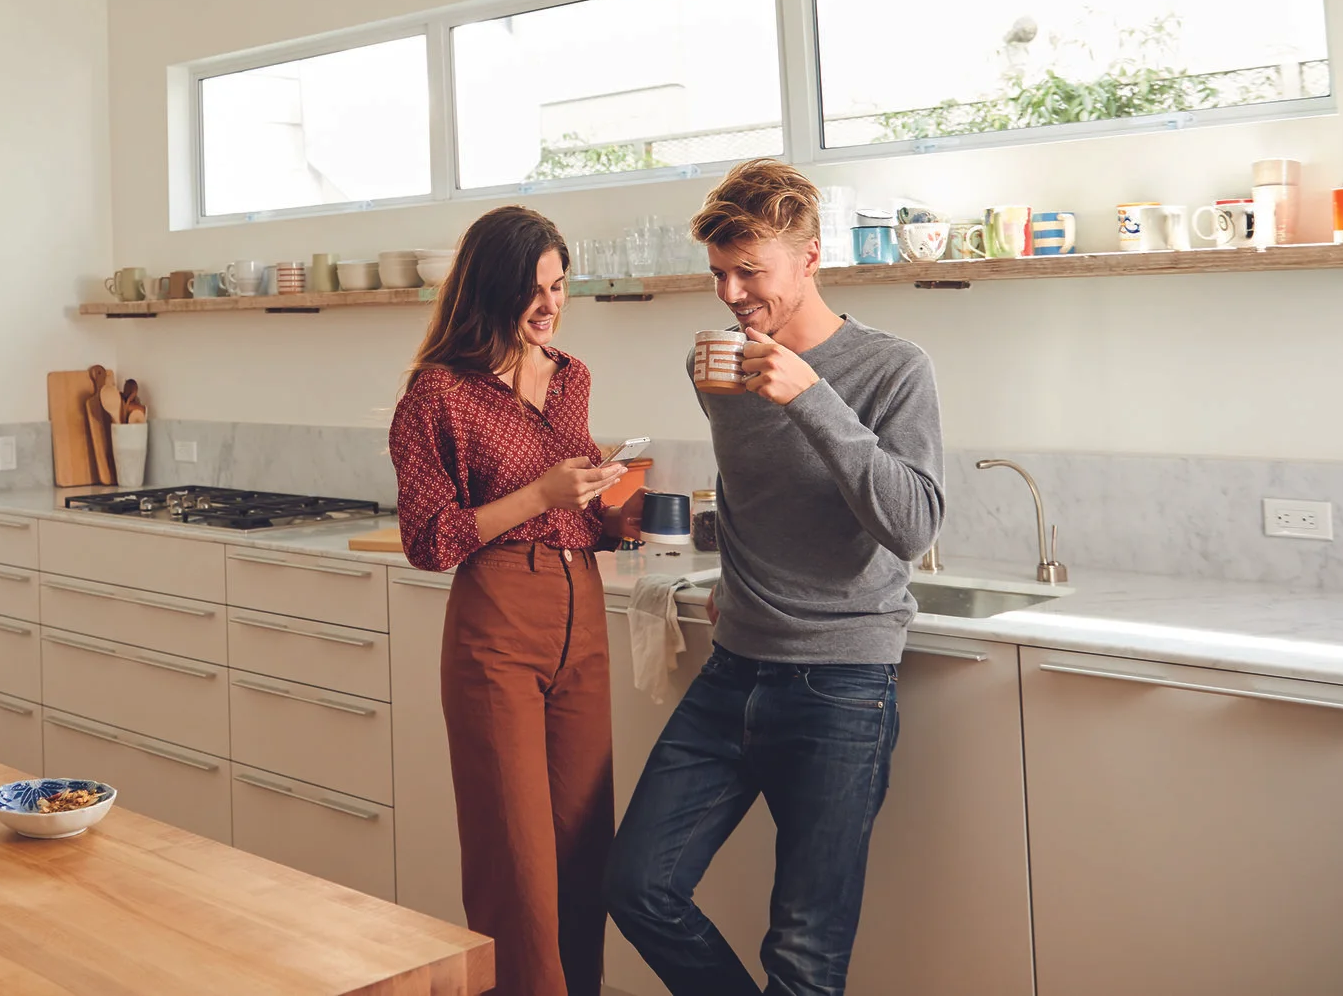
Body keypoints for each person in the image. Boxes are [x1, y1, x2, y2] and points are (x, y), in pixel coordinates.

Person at [606, 160, 944, 996]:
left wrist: (812, 396)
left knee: (803, 954)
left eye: (749, 271)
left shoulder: (894, 368)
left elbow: (913, 523)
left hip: (841, 687)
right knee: (638, 885)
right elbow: (752, 493)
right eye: (718, 272)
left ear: (810, 256)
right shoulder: (716, 368)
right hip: (733, 671)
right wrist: (733, 581)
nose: (731, 293)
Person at [388, 204, 638, 996]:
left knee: (585, 856)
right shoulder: (437, 396)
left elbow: (576, 514)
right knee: (518, 872)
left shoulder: (571, 377)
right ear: (490, 287)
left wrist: (615, 517)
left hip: (582, 613)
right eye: (533, 288)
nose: (549, 303)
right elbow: (430, 540)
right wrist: (541, 494)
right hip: (497, 623)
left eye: (559, 286)